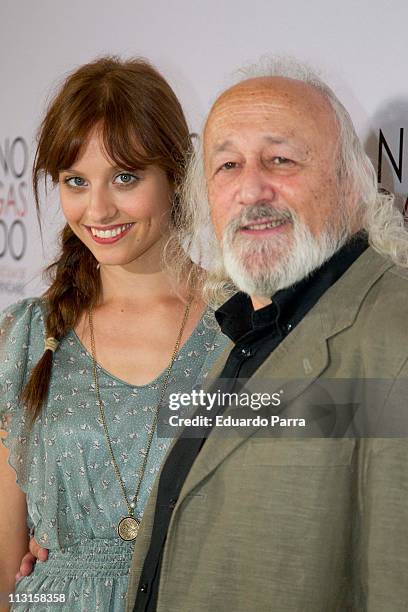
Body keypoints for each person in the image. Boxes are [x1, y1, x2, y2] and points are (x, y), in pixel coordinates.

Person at [124, 58, 408, 611]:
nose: (252, 188)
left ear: (353, 183)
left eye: (281, 160)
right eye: (227, 165)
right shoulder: (246, 327)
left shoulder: (395, 339)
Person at [0, 57, 228, 612]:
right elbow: (5, 561)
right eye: (76, 181)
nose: (97, 208)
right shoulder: (28, 334)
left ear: (175, 172)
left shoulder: (240, 326)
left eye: (125, 177)